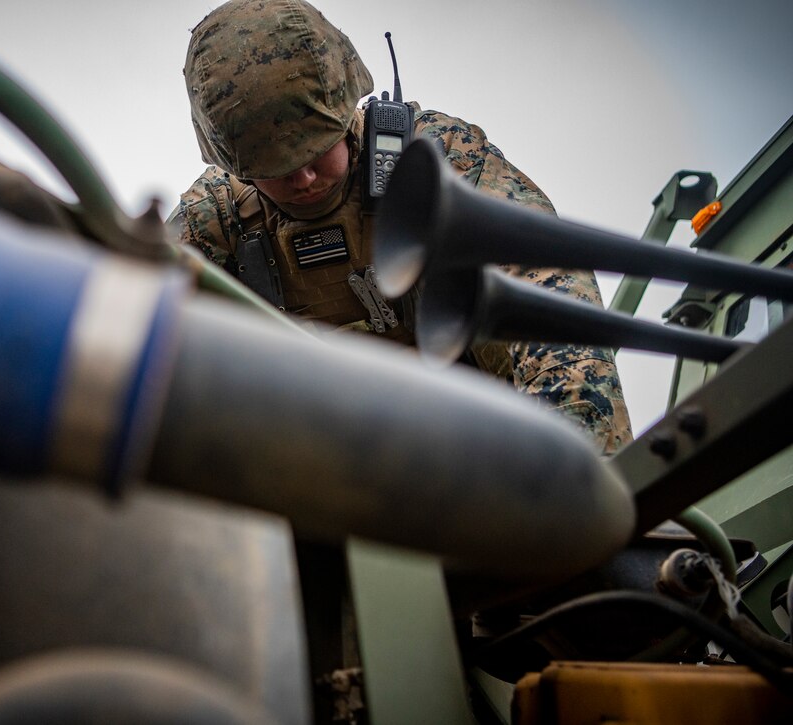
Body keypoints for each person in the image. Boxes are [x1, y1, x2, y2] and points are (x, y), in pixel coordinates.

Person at [169, 0, 631, 455]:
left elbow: (548, 292)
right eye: (276, 166)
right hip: (312, 478)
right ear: (235, 165)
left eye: (316, 151)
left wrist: (573, 461)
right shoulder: (215, 220)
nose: (304, 179)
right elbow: (134, 330)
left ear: (347, 107)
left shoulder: (435, 160)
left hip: (485, 458)